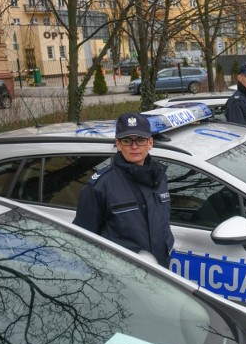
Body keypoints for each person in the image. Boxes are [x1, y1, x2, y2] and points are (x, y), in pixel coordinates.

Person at [73, 112, 174, 268]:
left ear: (150, 143)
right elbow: (82, 242)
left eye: (140, 140)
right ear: (118, 144)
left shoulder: (159, 177)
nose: (134, 146)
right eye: (127, 140)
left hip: (161, 273)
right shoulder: (100, 186)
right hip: (122, 279)